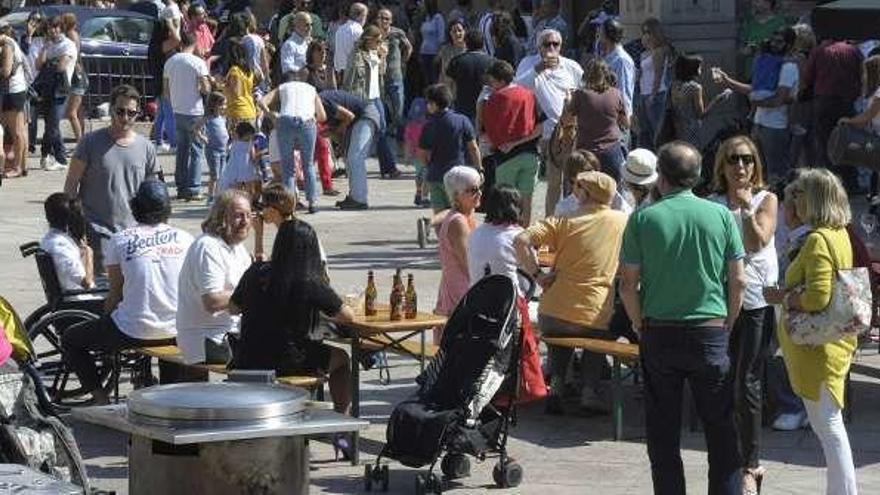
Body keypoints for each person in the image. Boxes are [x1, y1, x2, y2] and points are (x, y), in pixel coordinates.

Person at [619, 141, 745, 494]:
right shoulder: (721, 215)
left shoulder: (643, 218)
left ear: (661, 178)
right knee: (721, 430)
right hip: (710, 329)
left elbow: (627, 285)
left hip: (659, 331)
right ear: (698, 176)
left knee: (662, 433)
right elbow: (738, 280)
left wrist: (638, 323)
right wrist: (729, 322)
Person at [763, 168, 858, 495]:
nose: (793, 199)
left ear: (815, 198)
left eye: (800, 193)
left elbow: (818, 296)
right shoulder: (839, 232)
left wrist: (785, 297)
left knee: (829, 429)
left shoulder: (818, 238)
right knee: (829, 428)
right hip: (833, 344)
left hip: (818, 349)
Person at [62, 180, 194, 404]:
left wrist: (106, 316)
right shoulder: (186, 239)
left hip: (132, 330)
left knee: (70, 339)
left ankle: (100, 397)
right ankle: (169, 397)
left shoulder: (120, 240)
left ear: (135, 208)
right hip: (175, 329)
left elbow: (116, 294)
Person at [516, 170, 628, 414]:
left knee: (560, 326)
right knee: (601, 333)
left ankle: (557, 385)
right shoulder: (622, 221)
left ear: (586, 193)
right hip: (593, 310)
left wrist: (538, 276)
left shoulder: (564, 220)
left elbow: (521, 240)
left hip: (552, 311)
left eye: (578, 188)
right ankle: (589, 391)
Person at [708, 135, 779, 494]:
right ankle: (726, 458)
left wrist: (747, 207)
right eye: (734, 159)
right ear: (722, 165)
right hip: (718, 301)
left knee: (746, 382)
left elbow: (757, 241)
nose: (741, 167)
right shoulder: (712, 203)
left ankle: (752, 465)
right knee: (719, 380)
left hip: (754, 303)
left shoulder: (766, 199)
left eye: (748, 160)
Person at [231, 219, 353, 417]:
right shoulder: (307, 280)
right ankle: (341, 417)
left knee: (314, 351)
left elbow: (232, 308)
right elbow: (347, 316)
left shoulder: (256, 271)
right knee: (342, 358)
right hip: (286, 360)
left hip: (247, 358)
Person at [64, 85, 157, 272]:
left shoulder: (146, 147)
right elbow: (72, 183)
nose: (125, 118)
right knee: (104, 287)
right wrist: (74, 224)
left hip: (133, 231)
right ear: (111, 110)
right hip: (97, 229)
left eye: (131, 113)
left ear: (137, 113)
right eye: (120, 111)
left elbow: (153, 191)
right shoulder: (89, 142)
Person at [177, 189, 253, 365]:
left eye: (249, 215)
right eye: (239, 216)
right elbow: (212, 302)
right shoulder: (208, 247)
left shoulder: (237, 248)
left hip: (231, 333)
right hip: (208, 338)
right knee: (270, 357)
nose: (245, 222)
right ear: (221, 217)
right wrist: (253, 291)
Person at [716, 27, 799, 183]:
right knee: (759, 171)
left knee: (777, 173)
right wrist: (728, 81)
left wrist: (756, 102)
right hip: (759, 123)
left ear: (789, 45)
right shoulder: (768, 62)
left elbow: (779, 99)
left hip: (776, 126)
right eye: (773, 40)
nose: (774, 44)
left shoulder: (788, 67)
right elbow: (755, 90)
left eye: (779, 42)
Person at [515, 29, 583, 216]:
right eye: (547, 44)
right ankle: (550, 221)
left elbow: (583, 93)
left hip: (571, 131)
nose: (552, 48)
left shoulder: (571, 67)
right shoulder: (528, 63)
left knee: (573, 181)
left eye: (556, 44)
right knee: (554, 182)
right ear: (539, 46)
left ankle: (569, 222)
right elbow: (517, 88)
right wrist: (539, 69)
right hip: (546, 132)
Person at [481, 60, 541, 225]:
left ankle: (508, 238)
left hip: (505, 157)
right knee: (526, 199)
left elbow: (488, 131)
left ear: (500, 81)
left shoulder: (493, 99)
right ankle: (525, 234)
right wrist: (520, 142)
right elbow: (540, 126)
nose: (491, 85)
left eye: (492, 81)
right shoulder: (529, 94)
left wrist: (503, 145)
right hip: (530, 154)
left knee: (505, 201)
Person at [803, 36, 863, 191]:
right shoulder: (853, 51)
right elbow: (862, 74)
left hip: (825, 103)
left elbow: (807, 78)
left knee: (825, 143)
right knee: (849, 143)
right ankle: (850, 183)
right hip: (847, 102)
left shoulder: (819, 51)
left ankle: (829, 184)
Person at [262, 71, 327, 213]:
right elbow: (322, 116)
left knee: (287, 166)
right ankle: (312, 202)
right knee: (308, 164)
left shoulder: (283, 87)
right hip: (307, 122)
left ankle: (290, 204)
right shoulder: (311, 89)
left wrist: (272, 116)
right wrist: (312, 119)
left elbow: (261, 102)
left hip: (285, 121)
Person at [342, 25, 400, 180]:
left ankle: (388, 167)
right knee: (360, 131)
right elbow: (350, 78)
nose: (380, 43)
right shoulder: (357, 55)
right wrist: (348, 99)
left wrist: (383, 57)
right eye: (377, 40)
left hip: (376, 96)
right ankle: (388, 167)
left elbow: (381, 73)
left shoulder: (376, 53)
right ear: (369, 40)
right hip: (362, 97)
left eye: (381, 40)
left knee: (382, 130)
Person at [433, 166, 482, 344]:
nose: (479, 193)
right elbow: (468, 263)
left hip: (458, 288)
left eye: (479, 187)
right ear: (455, 196)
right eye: (472, 190)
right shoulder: (458, 222)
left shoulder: (465, 215)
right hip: (460, 293)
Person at [419, 84, 482, 212]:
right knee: (458, 213)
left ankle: (435, 227)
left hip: (435, 175)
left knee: (439, 213)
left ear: (434, 104)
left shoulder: (428, 125)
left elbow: (422, 153)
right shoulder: (462, 120)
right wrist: (479, 168)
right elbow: (473, 148)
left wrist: (428, 165)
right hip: (457, 177)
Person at [164, 30, 211, 201]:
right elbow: (206, 88)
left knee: (182, 151)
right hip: (195, 111)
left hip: (178, 110)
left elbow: (166, 92)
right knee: (197, 150)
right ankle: (194, 188)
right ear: (195, 43)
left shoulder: (170, 61)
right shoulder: (198, 63)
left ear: (180, 43)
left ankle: (181, 187)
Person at [564, 58, 628, 181]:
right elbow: (626, 123)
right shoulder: (616, 93)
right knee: (613, 194)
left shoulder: (580, 95)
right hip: (612, 152)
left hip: (586, 155)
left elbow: (567, 121)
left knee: (584, 195)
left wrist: (567, 102)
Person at [319, 89, 381, 209]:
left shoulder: (322, 103)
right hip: (357, 119)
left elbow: (349, 116)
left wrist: (333, 131)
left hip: (365, 114)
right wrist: (341, 145)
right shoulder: (318, 106)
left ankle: (359, 199)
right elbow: (343, 126)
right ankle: (355, 196)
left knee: (355, 158)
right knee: (349, 158)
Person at [35, 15, 76, 171]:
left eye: (55, 27)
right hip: (47, 88)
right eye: (49, 28)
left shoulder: (68, 44)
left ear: (61, 28)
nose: (52, 31)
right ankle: (59, 157)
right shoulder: (49, 45)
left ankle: (47, 154)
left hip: (60, 90)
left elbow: (61, 66)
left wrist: (50, 63)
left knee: (52, 125)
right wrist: (45, 48)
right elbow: (38, 65)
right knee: (51, 124)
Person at [468, 186, 523, 285]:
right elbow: (530, 270)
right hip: (508, 297)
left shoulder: (476, 233)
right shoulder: (519, 236)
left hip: (476, 295)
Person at [40, 193, 94, 292]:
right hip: (78, 299)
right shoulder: (60, 246)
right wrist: (89, 254)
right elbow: (87, 282)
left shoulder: (49, 239)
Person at [637, 18, 672, 149]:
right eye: (643, 32)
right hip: (643, 93)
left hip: (655, 94)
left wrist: (653, 94)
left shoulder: (659, 51)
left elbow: (658, 75)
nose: (644, 35)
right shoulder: (646, 53)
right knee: (647, 132)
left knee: (657, 131)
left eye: (647, 32)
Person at [446, 29, 495, 124]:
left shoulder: (457, 61)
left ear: (466, 43)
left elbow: (449, 84)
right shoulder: (492, 62)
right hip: (485, 108)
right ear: (482, 44)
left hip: (462, 108)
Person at [377, 7, 411, 140]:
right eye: (381, 17)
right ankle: (383, 133)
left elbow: (408, 47)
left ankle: (400, 135)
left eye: (387, 18)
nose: (384, 20)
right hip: (378, 76)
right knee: (380, 106)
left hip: (395, 74)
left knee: (399, 107)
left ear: (391, 21)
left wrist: (403, 62)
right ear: (377, 19)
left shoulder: (397, 33)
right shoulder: (373, 32)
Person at [0, 23, 28, 179]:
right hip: (15, 91)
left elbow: (6, 71)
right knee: (18, 131)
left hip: (13, 92)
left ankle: (17, 167)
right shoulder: (10, 42)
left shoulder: (7, 46)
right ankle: (21, 165)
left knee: (16, 131)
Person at [599, 18, 635, 126]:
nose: (598, 33)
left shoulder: (621, 60)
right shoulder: (607, 57)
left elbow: (624, 90)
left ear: (607, 34)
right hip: (607, 117)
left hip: (618, 119)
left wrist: (624, 117)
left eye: (601, 30)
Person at [668, 54, 706, 149]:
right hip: (691, 128)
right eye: (700, 67)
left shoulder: (674, 85)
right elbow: (700, 114)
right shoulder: (695, 88)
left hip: (677, 126)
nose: (701, 70)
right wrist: (717, 101)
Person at [60, 13, 85, 144]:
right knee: (77, 112)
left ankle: (80, 143)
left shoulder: (70, 35)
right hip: (77, 76)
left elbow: (73, 55)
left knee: (71, 113)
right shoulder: (72, 34)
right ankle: (82, 140)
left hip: (77, 77)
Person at [217, 121, 260, 197]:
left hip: (236, 168)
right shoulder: (247, 144)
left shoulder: (235, 142)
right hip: (244, 167)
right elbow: (253, 157)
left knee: (239, 187)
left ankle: (243, 201)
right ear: (247, 134)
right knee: (246, 188)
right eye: (250, 134)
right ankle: (248, 202)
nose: (251, 136)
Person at [224, 39, 257, 132]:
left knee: (234, 144)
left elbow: (236, 92)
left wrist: (220, 86)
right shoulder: (249, 71)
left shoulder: (235, 70)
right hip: (249, 110)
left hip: (237, 113)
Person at [203, 92, 228, 199]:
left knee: (222, 175)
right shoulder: (208, 118)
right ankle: (210, 195)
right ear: (213, 105)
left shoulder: (223, 118)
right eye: (221, 104)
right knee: (214, 175)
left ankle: (219, 194)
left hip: (223, 149)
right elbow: (196, 128)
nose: (224, 107)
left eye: (224, 104)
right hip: (213, 150)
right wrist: (203, 137)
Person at [333, 2, 367, 81]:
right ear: (361, 16)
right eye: (365, 16)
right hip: (353, 74)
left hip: (339, 73)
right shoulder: (358, 30)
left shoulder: (340, 29)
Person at [436, 19, 466, 98]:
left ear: (465, 31)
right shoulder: (445, 49)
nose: (457, 34)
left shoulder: (469, 49)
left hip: (463, 90)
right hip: (447, 90)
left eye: (460, 30)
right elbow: (442, 72)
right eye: (454, 31)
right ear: (449, 33)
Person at [418, 0, 445, 85]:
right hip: (424, 53)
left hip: (434, 54)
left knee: (434, 80)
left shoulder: (438, 18)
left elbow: (441, 37)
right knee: (426, 81)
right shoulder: (426, 18)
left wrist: (439, 54)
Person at [279, 11, 312, 76]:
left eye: (311, 25)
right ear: (296, 26)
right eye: (307, 25)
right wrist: (303, 71)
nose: (310, 28)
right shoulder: (289, 45)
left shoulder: (309, 43)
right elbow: (286, 67)